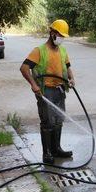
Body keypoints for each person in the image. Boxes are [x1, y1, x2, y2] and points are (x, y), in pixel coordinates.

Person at [20, 19, 75, 164]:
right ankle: (47, 153)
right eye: (60, 34)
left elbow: (68, 66)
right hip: (46, 91)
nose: (61, 38)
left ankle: (57, 148)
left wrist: (71, 78)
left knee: (58, 120)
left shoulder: (62, 50)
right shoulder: (39, 51)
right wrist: (33, 84)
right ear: (52, 33)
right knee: (48, 122)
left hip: (60, 90)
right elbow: (24, 68)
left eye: (63, 36)